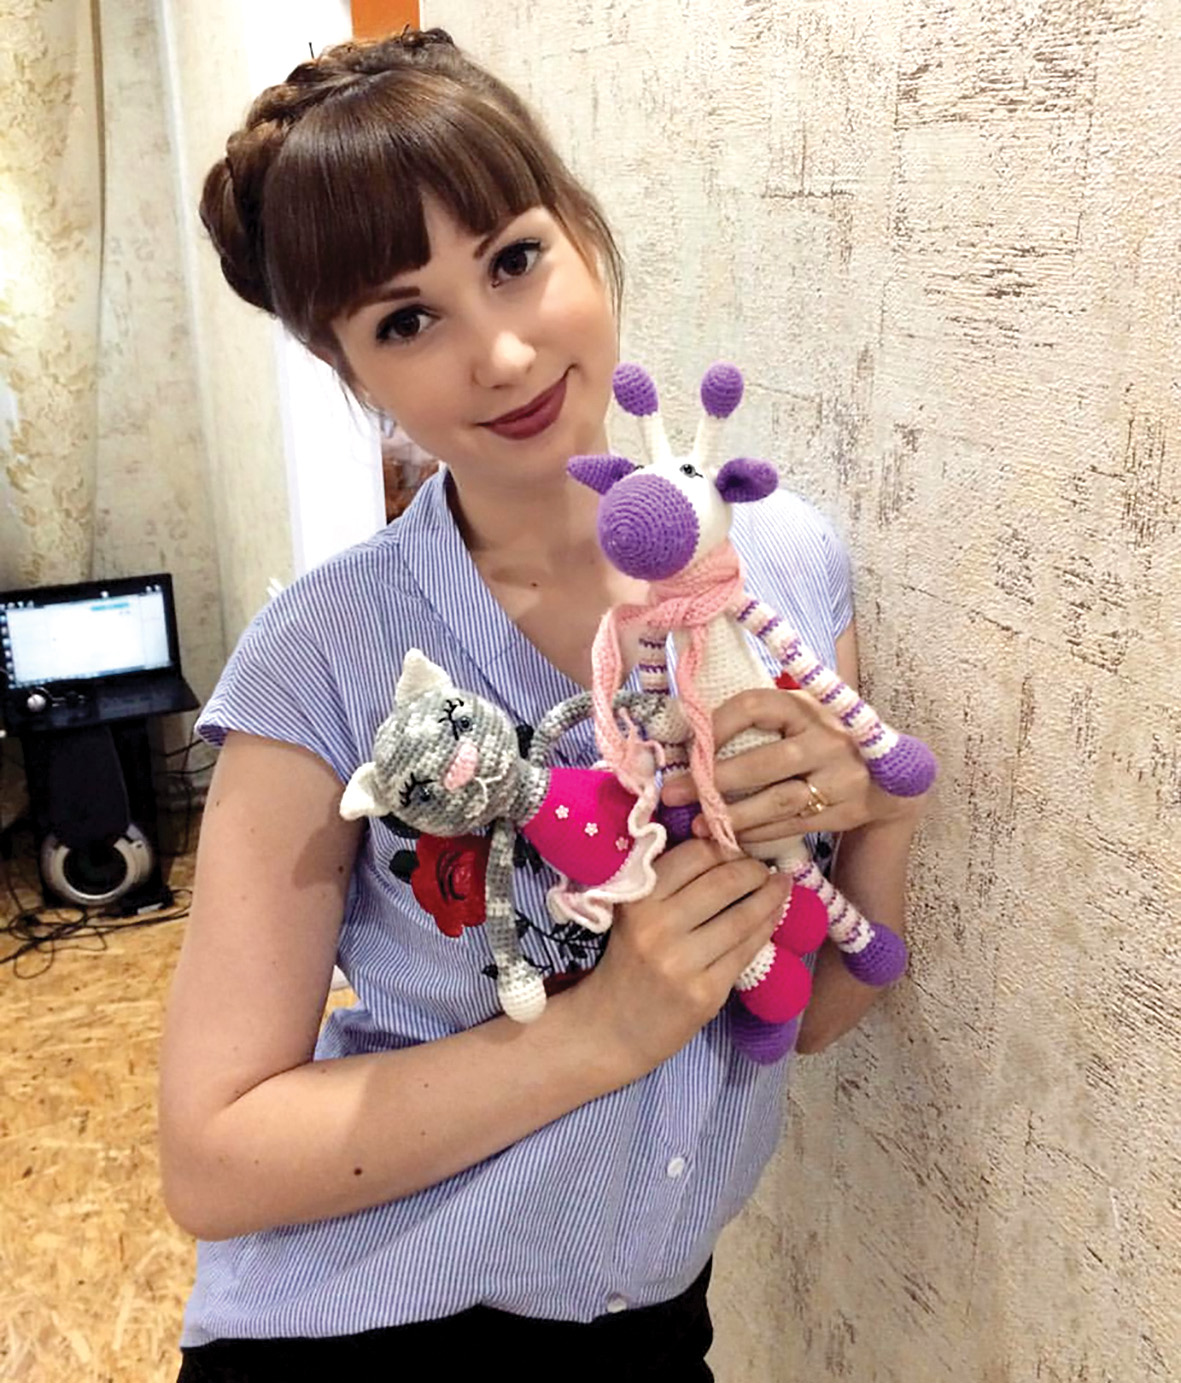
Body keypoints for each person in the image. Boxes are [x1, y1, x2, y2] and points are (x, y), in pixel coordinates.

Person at [159, 28, 928, 1381]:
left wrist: (874, 813)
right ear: (351, 372)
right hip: (364, 1326)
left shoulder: (782, 563)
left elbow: (800, 1016)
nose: (505, 354)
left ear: (580, 228)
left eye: (514, 259)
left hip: (650, 1319)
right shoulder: (322, 656)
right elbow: (213, 1162)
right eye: (407, 321)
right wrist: (599, 1030)